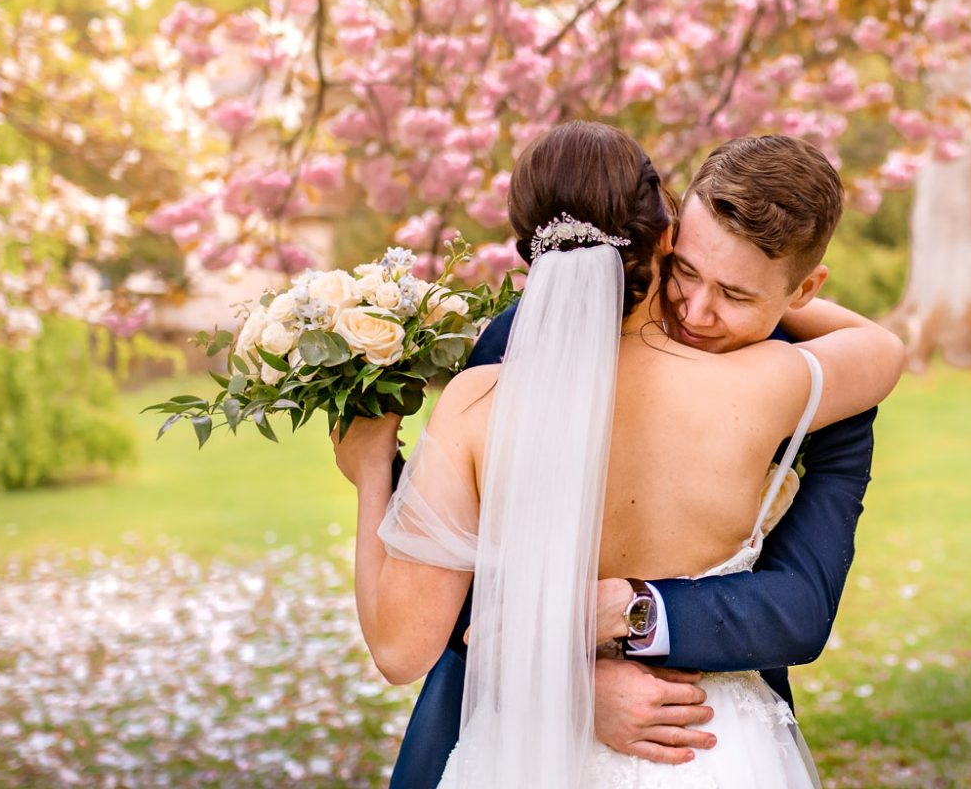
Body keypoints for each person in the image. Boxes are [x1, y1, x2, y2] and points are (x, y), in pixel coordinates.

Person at [334, 123, 902, 786]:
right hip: (694, 747)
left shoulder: (478, 402)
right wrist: (567, 683)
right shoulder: (781, 382)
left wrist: (371, 469)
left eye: (738, 293)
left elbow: (400, 648)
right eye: (687, 270)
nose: (697, 307)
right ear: (667, 233)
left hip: (589, 742)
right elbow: (883, 350)